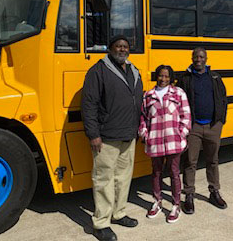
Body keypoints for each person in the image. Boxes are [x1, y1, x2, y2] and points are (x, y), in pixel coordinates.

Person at [81, 35, 143, 241]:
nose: (122, 49)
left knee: (123, 178)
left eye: (125, 46)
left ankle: (119, 213)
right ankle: (101, 223)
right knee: (103, 180)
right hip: (106, 137)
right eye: (118, 46)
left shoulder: (134, 71)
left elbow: (138, 102)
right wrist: (94, 134)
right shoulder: (97, 71)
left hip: (128, 135)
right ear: (110, 48)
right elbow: (88, 105)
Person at [176, 47, 228, 214]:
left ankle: (214, 191)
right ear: (191, 58)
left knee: (213, 159)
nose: (198, 59)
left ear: (206, 59)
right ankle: (189, 194)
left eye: (201, 57)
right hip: (194, 127)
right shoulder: (185, 79)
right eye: (195, 57)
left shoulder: (215, 77)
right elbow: (178, 101)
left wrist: (220, 120)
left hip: (213, 126)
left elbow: (223, 98)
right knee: (190, 161)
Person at [139, 65, 191, 223]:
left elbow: (186, 115)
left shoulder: (178, 93)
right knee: (156, 173)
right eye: (161, 76)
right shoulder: (148, 96)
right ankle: (157, 201)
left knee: (174, 172)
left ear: (171, 78)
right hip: (154, 142)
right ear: (157, 76)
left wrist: (181, 133)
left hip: (173, 141)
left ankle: (176, 204)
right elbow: (143, 118)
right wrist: (145, 134)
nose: (163, 79)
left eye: (167, 76)